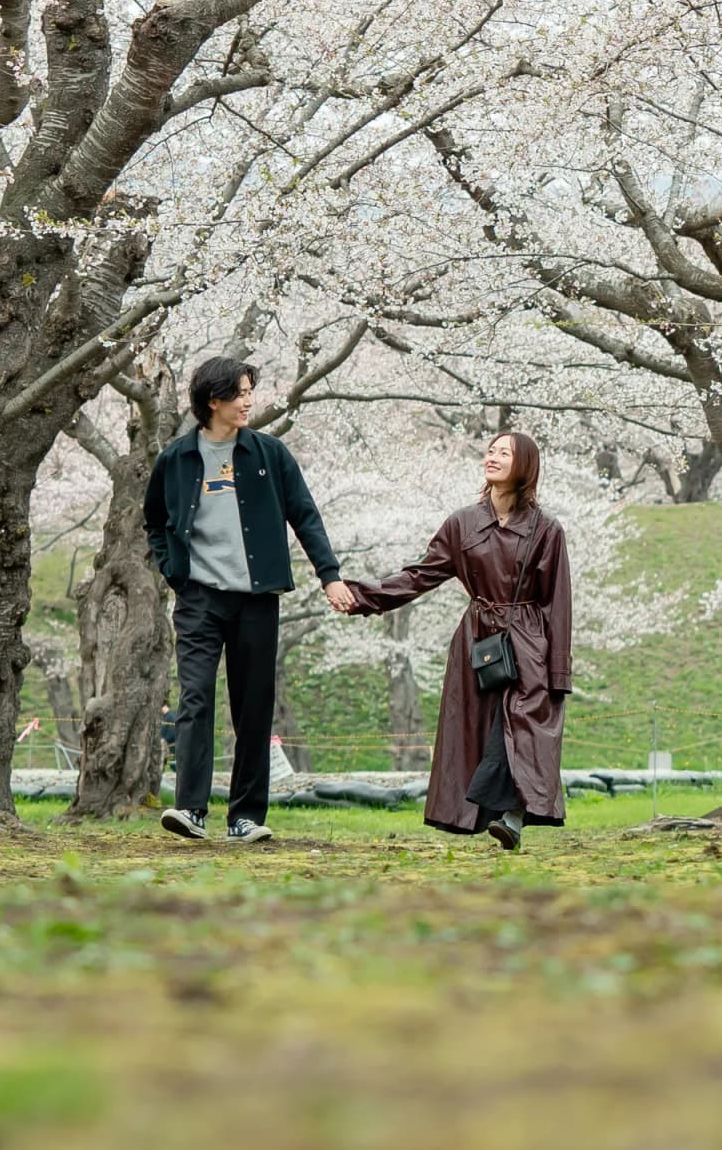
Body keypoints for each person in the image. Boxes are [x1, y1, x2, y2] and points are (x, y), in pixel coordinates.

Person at [333, 429, 573, 852]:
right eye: (491, 450)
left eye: (505, 452)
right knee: (478, 727)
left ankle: (513, 817)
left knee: (520, 724)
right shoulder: (463, 522)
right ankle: (488, 816)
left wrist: (558, 670)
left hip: (529, 639)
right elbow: (419, 575)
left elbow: (558, 601)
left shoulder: (547, 529)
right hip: (478, 641)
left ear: (526, 466)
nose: (493, 456)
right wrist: (363, 597)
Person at [140, 357, 344, 848]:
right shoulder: (178, 457)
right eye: (240, 393)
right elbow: (154, 519)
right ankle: (190, 809)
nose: (249, 401)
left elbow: (305, 515)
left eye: (251, 391)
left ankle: (245, 817)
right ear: (214, 401)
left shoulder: (269, 454)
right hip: (199, 599)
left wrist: (329, 576)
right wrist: (176, 573)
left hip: (256, 598)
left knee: (253, 706)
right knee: (194, 699)